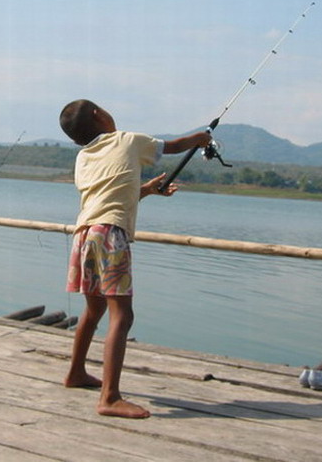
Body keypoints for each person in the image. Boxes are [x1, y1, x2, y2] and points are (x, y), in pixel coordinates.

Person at [58, 99, 211, 419]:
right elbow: (173, 146)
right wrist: (199, 139)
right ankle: (110, 398)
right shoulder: (127, 140)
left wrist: (146, 190)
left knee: (95, 307)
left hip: (85, 235)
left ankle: (76, 372)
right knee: (122, 316)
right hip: (110, 235)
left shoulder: (83, 157)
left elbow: (109, 194)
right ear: (100, 115)